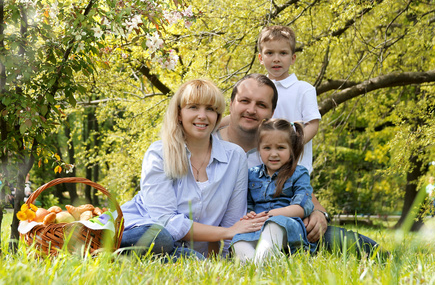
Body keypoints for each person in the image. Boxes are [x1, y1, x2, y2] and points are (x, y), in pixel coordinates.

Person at [218, 74, 387, 258]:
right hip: (240, 233)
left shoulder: (278, 153)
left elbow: (309, 199)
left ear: (271, 113)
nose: (251, 110)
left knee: (346, 242)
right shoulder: (209, 143)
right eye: (244, 101)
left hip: (285, 228)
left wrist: (319, 215)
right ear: (231, 103)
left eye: (261, 105)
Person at [120, 79, 269, 259]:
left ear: (218, 116)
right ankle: (106, 249)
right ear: (179, 114)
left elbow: (233, 222)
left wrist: (222, 258)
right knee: (161, 237)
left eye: (210, 109)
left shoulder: (235, 157)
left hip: (184, 251)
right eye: (193, 107)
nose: (202, 115)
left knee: (194, 258)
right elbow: (166, 221)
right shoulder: (159, 153)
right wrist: (227, 232)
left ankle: (158, 258)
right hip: (144, 230)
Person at [232, 119, 317, 263]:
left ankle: (263, 260)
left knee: (273, 225)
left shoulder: (299, 173)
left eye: (280, 148)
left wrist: (269, 215)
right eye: (267, 148)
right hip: (257, 227)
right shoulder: (251, 174)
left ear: (291, 149)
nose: (273, 154)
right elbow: (248, 205)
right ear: (259, 148)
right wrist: (250, 214)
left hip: (286, 226)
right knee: (238, 242)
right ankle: (259, 265)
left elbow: (301, 207)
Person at [257, 25, 321, 174]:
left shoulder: (304, 89)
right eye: (270, 53)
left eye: (283, 53)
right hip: (263, 170)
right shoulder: (257, 89)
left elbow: (313, 125)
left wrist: (291, 145)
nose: (276, 59)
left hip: (295, 169)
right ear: (261, 58)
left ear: (293, 58)